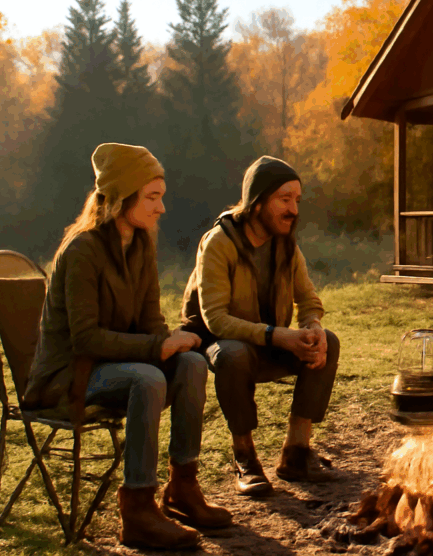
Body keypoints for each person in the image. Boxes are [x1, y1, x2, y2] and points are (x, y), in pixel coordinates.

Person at [24, 143, 230, 550]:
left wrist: (171, 342)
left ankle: (183, 488)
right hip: (70, 376)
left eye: (161, 197)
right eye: (152, 197)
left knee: (191, 364)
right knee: (149, 377)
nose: (161, 208)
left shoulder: (139, 246)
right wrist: (157, 347)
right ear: (121, 198)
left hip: (115, 366)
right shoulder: (82, 251)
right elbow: (85, 339)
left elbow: (151, 322)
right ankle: (137, 508)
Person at [182, 155, 340, 497]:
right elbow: (216, 319)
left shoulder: (286, 242)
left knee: (327, 339)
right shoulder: (219, 242)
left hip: (272, 341)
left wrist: (311, 326)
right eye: (284, 199)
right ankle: (245, 458)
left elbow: (309, 300)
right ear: (257, 203)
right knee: (233, 354)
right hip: (223, 341)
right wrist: (276, 335)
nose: (293, 210)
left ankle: (296, 452)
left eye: (297, 200)